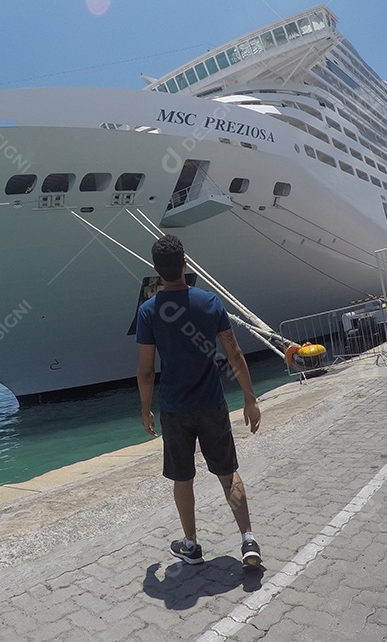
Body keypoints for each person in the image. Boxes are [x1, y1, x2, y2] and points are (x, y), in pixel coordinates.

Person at [135, 234, 262, 569]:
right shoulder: (210, 302)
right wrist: (250, 399)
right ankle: (248, 539)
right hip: (211, 403)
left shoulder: (148, 312)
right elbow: (234, 354)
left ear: (156, 270)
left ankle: (190, 544)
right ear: (185, 263)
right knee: (228, 473)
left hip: (174, 409)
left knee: (183, 478)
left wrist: (145, 409)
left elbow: (146, 371)